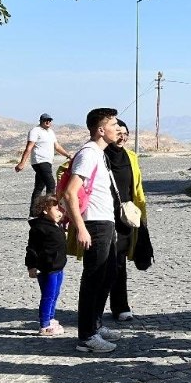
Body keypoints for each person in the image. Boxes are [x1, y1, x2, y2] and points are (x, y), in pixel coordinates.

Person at [63, 107, 124, 353]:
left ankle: (95, 325)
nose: (118, 129)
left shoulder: (100, 154)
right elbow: (69, 192)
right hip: (94, 224)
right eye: (114, 125)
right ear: (101, 130)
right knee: (94, 278)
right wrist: (80, 227)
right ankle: (86, 336)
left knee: (108, 275)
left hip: (105, 222)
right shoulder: (88, 154)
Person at [104, 119, 149, 323]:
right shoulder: (100, 155)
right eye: (118, 132)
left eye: (125, 133)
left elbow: (136, 188)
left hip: (125, 217)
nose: (122, 137)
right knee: (101, 264)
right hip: (103, 216)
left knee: (119, 263)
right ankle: (94, 307)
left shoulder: (131, 157)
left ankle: (120, 306)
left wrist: (142, 214)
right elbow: (65, 171)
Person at [25, 194, 68, 336]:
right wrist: (31, 266)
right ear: (45, 210)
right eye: (56, 209)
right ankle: (44, 324)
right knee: (48, 296)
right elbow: (31, 249)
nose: (59, 212)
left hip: (58, 267)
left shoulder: (55, 225)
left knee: (55, 294)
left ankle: (51, 318)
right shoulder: (39, 228)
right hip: (47, 268)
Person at [15, 113, 72, 217]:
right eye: (46, 120)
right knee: (51, 184)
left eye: (50, 120)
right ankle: (49, 211)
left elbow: (57, 146)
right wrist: (22, 163)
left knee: (39, 187)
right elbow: (29, 147)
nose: (48, 122)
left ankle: (34, 213)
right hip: (39, 161)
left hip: (48, 161)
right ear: (41, 120)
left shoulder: (51, 132)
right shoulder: (35, 131)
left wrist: (67, 155)